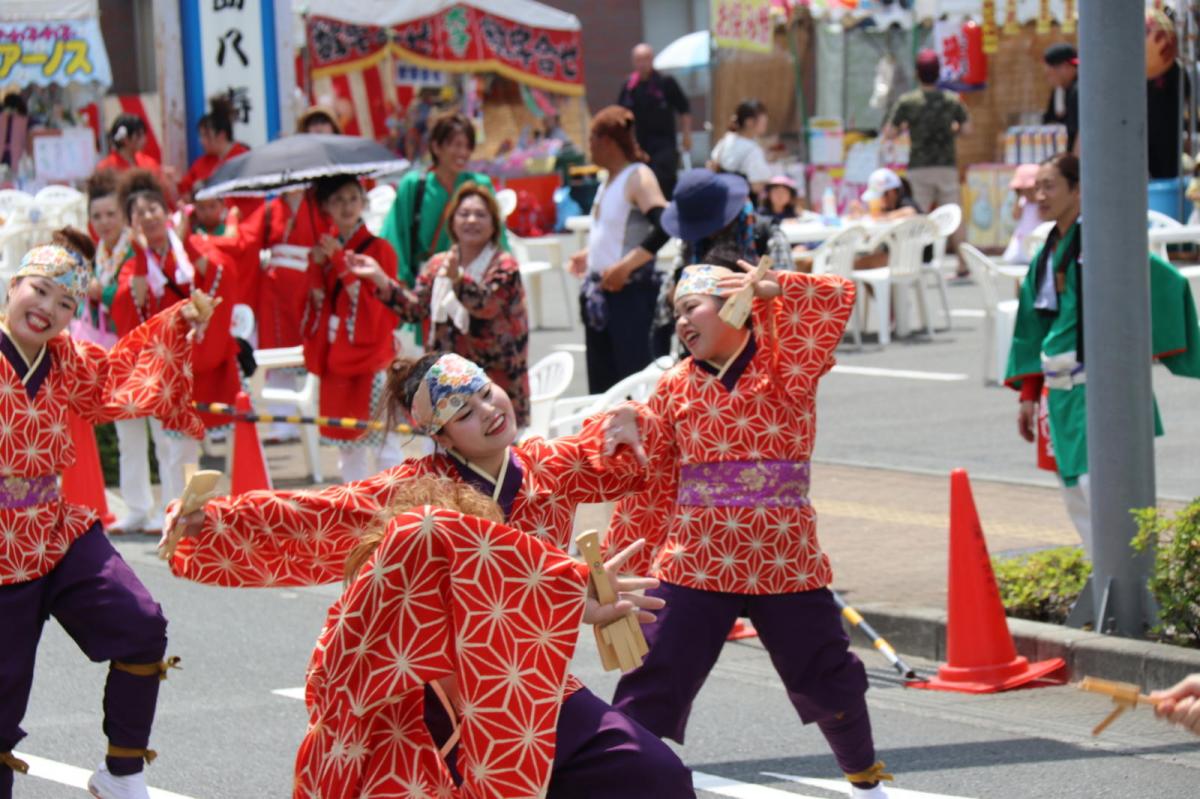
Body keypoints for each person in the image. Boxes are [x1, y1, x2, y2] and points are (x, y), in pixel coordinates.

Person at [162, 351, 696, 798]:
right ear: (441, 436)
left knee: (655, 776)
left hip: (536, 679)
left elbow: (621, 456)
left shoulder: (546, 469)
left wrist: (634, 418)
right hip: (449, 697)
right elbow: (313, 516)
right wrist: (209, 522)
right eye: (464, 411)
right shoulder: (414, 492)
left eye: (486, 392)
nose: (488, 411)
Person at [605, 261, 895, 799]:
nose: (682, 322)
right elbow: (656, 471)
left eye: (692, 306)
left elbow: (835, 300)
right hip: (696, 557)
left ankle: (865, 781)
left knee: (827, 672)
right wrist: (631, 424)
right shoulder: (672, 387)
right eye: (676, 314)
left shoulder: (787, 365)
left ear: (734, 304)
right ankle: (621, 784)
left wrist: (777, 290)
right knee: (654, 674)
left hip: (785, 555)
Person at [299, 478, 673, 798]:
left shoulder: (537, 465)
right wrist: (561, 582)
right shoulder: (356, 640)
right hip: (410, 753)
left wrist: (561, 591)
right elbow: (424, 530)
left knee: (650, 772)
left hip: (518, 693)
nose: (487, 410)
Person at [0, 228, 207, 799]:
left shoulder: (67, 359)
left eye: (65, 303)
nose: (47, 309)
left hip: (53, 526)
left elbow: (125, 373)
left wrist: (178, 326)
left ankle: (121, 772)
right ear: (14, 285)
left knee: (140, 624)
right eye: (39, 291)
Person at [1004, 153, 1200, 557]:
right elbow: (1032, 327)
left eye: (1050, 186)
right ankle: (1106, 582)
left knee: (1106, 494)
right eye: (1036, 187)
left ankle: (1128, 591)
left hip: (1100, 386)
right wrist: (1028, 394)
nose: (1039, 195)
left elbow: (1165, 280)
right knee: (1075, 494)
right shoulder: (1047, 253)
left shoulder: (1102, 241)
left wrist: (1139, 342)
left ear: (1078, 189)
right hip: (1058, 393)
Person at [349, 182, 531, 426]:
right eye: (464, 214)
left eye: (480, 215)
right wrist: (380, 278)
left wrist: (458, 278)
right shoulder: (439, 264)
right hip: (450, 383)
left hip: (495, 384)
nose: (471, 221)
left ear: (494, 223)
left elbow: (486, 305)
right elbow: (415, 310)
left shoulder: (504, 266)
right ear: (452, 221)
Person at [111, 169, 240, 505]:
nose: (149, 217)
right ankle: (179, 516)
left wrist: (186, 243)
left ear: (168, 213)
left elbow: (221, 274)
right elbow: (129, 304)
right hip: (171, 368)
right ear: (132, 225)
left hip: (204, 360)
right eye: (139, 214)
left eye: (154, 209)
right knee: (174, 450)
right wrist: (140, 256)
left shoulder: (190, 244)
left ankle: (206, 514)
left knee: (203, 447)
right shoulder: (134, 261)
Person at [302, 174, 404, 483]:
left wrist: (338, 261)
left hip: (371, 356)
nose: (346, 207)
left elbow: (374, 307)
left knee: (384, 440)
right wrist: (317, 267)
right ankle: (356, 510)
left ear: (363, 202)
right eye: (337, 201)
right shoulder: (325, 250)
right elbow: (315, 305)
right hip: (337, 356)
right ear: (325, 208)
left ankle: (395, 505)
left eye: (352, 198)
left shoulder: (380, 249)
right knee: (348, 446)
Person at [567, 106, 670, 393]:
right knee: (604, 390)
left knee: (634, 388)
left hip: (631, 297)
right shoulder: (609, 180)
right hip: (602, 297)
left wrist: (626, 266)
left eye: (591, 141)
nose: (589, 149)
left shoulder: (639, 176)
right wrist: (590, 256)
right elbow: (616, 232)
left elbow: (665, 226)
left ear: (607, 141)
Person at [79, 170, 158, 534]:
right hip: (117, 353)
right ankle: (138, 507)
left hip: (148, 350)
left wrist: (101, 292)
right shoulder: (103, 252)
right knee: (129, 434)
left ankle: (171, 506)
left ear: (123, 214)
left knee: (164, 433)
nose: (104, 222)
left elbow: (127, 296)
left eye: (110, 214)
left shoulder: (134, 247)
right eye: (97, 216)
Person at [651, 169, 791, 354]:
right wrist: (685, 297)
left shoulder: (766, 235)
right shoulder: (691, 244)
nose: (706, 232)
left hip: (761, 354)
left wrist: (760, 293)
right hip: (701, 362)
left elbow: (792, 300)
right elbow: (664, 309)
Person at [380, 111, 505, 291]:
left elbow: (497, 235)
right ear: (436, 147)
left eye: (468, 146)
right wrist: (403, 281)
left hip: (472, 282)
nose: (463, 152)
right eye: (456, 145)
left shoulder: (480, 185)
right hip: (424, 283)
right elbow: (395, 236)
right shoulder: (414, 186)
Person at [882, 49, 970, 266]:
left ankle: (912, 261)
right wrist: (955, 128)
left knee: (916, 217)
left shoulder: (908, 101)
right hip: (946, 165)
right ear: (938, 72)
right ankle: (964, 263)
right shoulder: (952, 100)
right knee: (954, 217)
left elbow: (889, 133)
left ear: (917, 73)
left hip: (919, 167)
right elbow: (968, 129)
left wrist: (904, 127)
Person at [618, 43, 692, 199]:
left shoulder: (666, 82)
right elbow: (621, 115)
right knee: (643, 184)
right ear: (633, 61)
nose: (642, 63)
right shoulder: (629, 86)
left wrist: (686, 136)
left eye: (646, 59)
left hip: (664, 144)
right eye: (638, 59)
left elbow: (684, 110)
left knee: (664, 182)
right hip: (640, 146)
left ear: (652, 60)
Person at [176, 96, 257, 218]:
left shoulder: (244, 157)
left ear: (221, 135)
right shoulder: (202, 163)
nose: (201, 141)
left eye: (206, 135)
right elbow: (185, 193)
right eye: (201, 136)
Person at [708, 99, 772, 196]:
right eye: (763, 122)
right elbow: (756, 186)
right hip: (741, 202)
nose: (765, 124)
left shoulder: (727, 138)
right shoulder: (752, 150)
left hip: (721, 198)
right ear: (749, 122)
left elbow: (712, 164)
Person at [1042, 43, 1080, 155]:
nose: (1048, 79)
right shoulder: (1060, 91)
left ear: (1064, 67)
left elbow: (1080, 132)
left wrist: (1074, 165)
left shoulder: (1078, 91)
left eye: (1050, 74)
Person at [1002, 164, 1043, 264]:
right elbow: (1015, 216)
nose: (1027, 194)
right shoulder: (1022, 201)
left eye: (1031, 190)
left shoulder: (1041, 204)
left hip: (1038, 236)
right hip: (1022, 237)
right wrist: (1018, 199)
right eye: (1023, 191)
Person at [95, 114, 162, 175]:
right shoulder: (106, 167)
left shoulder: (149, 164)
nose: (144, 140)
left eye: (144, 134)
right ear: (125, 139)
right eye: (138, 135)